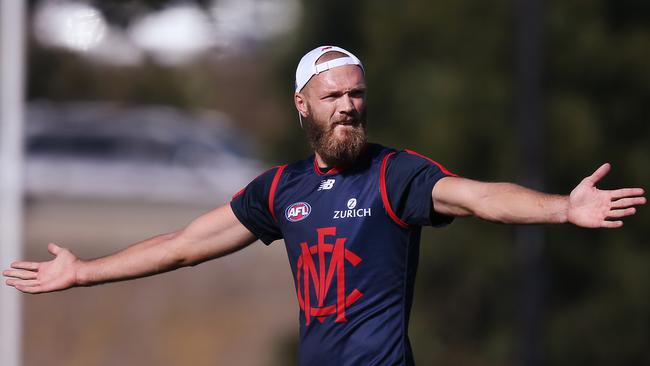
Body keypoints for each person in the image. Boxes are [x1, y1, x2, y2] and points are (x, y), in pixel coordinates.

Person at [3, 46, 646, 366]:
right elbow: (182, 246)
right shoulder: (281, 190)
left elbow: (479, 197)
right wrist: (85, 272)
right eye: (333, 95)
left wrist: (563, 208)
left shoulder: (396, 175)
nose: (348, 105)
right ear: (302, 106)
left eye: (357, 94)